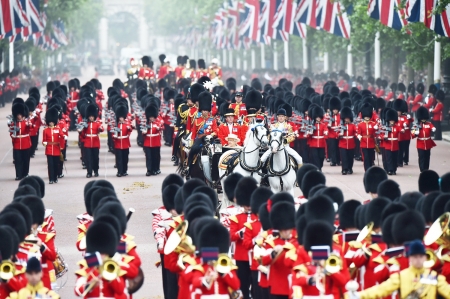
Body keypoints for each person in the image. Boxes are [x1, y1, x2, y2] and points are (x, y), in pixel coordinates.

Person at [346, 240, 450, 299]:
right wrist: (358, 295)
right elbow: (381, 290)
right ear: (410, 258)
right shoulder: (401, 276)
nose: (418, 260)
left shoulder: (435, 277)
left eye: (420, 257)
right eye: (415, 257)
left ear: (425, 258)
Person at [79, 104, 103, 178]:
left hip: (95, 142)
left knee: (96, 158)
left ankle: (96, 171)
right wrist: (81, 130)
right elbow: (82, 135)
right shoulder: (86, 124)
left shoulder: (97, 123)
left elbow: (101, 129)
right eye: (90, 116)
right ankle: (89, 172)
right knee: (88, 158)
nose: (91, 118)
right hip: (88, 143)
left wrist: (100, 129)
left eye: (92, 116)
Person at [10, 102, 32, 180]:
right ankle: (18, 174)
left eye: (20, 115)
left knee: (26, 160)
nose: (18, 116)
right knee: (18, 160)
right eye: (17, 115)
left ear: (22, 115)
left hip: (25, 143)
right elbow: (11, 132)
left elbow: (30, 130)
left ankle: (25, 173)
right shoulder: (13, 124)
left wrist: (29, 126)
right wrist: (12, 136)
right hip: (17, 143)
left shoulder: (26, 122)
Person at [42, 108, 65, 184]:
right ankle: (51, 179)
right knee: (50, 165)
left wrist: (63, 137)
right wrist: (44, 143)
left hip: (56, 149)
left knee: (56, 164)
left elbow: (61, 135)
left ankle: (55, 177)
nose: (51, 123)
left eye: (52, 122)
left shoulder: (58, 129)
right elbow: (44, 140)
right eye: (50, 122)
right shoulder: (45, 130)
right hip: (49, 149)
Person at [412, 107, 436, 172]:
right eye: (422, 118)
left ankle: (426, 168)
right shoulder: (416, 126)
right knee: (421, 157)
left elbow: (432, 127)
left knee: (427, 156)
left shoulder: (429, 124)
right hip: (420, 143)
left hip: (428, 143)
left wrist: (433, 129)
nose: (423, 119)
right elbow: (412, 135)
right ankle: (422, 169)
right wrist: (415, 133)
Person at [112, 105, 132, 177]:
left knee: (125, 158)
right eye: (120, 117)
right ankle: (119, 171)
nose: (121, 119)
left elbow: (129, 132)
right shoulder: (116, 125)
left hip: (125, 143)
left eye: (122, 117)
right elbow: (113, 134)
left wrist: (129, 128)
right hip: (118, 143)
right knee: (119, 158)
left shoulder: (127, 124)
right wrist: (114, 136)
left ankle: (124, 171)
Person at [143, 105, 163, 176]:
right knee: (148, 157)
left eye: (152, 117)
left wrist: (159, 128)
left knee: (155, 157)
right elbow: (143, 131)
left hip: (155, 142)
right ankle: (149, 170)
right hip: (147, 142)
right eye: (150, 117)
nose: (151, 118)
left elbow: (162, 127)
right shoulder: (146, 123)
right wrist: (144, 132)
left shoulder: (158, 123)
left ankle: (155, 169)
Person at [357, 103, 378, 172]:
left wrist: (376, 128)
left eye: (368, 116)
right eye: (365, 117)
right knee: (365, 157)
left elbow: (375, 133)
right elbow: (358, 133)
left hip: (371, 142)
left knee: (370, 157)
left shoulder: (373, 124)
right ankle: (367, 170)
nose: (367, 118)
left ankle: (370, 169)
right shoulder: (360, 124)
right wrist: (359, 136)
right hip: (364, 143)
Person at [307, 106, 328, 171]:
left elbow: (326, 131)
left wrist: (326, 132)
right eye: (317, 117)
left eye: (319, 117)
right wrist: (310, 133)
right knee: (315, 156)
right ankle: (317, 168)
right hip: (313, 143)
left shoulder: (323, 125)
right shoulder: (312, 125)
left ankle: (320, 166)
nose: (318, 118)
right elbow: (308, 135)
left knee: (321, 157)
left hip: (321, 143)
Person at [381, 108, 400, 175]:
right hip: (388, 145)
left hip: (395, 145)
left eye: (393, 120)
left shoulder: (397, 127)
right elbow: (381, 135)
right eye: (390, 120)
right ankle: (390, 170)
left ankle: (394, 170)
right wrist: (384, 137)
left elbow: (401, 130)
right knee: (389, 158)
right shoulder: (385, 128)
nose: (392, 122)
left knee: (394, 158)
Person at [339, 106, 356, 175]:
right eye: (345, 118)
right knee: (344, 157)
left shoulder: (353, 126)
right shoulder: (341, 125)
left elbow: (356, 132)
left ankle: (350, 168)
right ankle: (344, 169)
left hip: (351, 143)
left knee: (350, 157)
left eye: (348, 118)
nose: (346, 120)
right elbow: (337, 133)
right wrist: (339, 134)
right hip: (343, 143)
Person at [327, 97, 342, 166]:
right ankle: (333, 161)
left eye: (336, 109)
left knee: (338, 148)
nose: (334, 111)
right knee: (332, 148)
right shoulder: (329, 116)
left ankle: (339, 160)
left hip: (338, 133)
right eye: (333, 109)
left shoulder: (341, 116)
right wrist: (328, 125)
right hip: (332, 134)